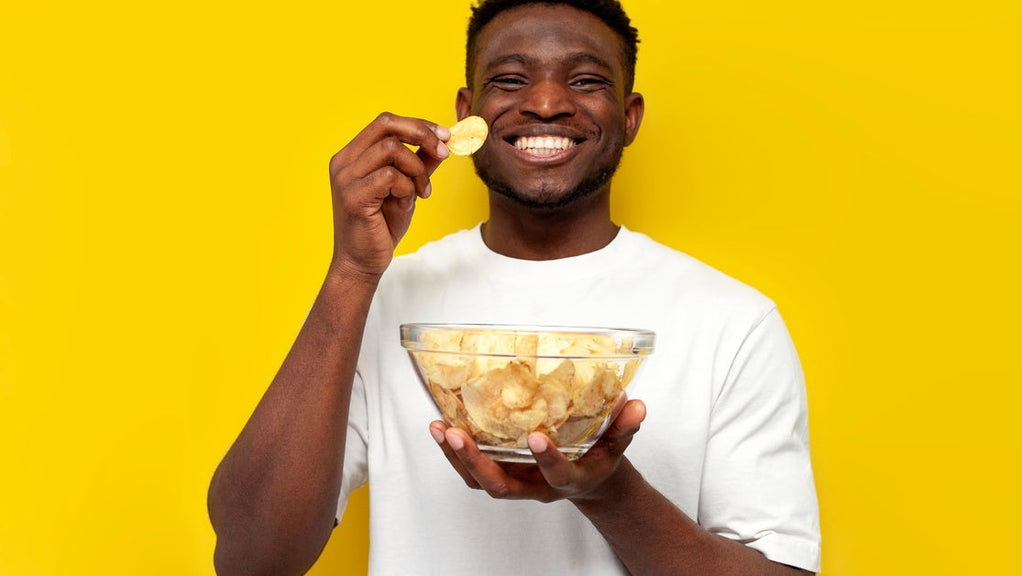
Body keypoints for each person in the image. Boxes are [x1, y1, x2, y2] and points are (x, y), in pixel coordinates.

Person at [207, 0, 821, 574]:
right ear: (465, 114)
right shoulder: (387, 298)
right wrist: (353, 270)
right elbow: (250, 558)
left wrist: (609, 491)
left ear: (630, 117)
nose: (547, 103)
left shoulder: (732, 323)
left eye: (585, 80)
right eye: (509, 79)